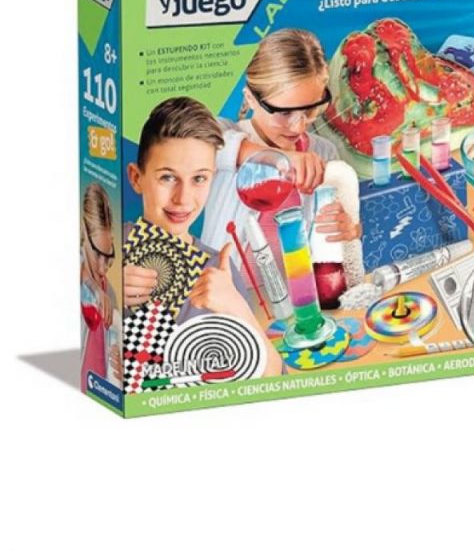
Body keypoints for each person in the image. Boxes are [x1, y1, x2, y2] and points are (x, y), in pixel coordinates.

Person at [124, 97, 283, 377]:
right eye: (167, 177)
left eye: (199, 179)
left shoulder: (220, 270)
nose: (183, 198)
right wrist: (106, 286)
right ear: (137, 178)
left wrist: (237, 308)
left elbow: (273, 379)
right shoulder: (106, 247)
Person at [202, 28, 361, 255]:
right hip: (226, 277)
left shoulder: (324, 152)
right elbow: (212, 145)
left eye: (310, 110)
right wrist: (280, 160)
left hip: (297, 277)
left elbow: (340, 232)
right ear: (251, 99)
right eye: (284, 113)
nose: (299, 127)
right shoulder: (221, 132)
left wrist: (350, 229)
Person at [80, 183, 122, 390]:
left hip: (101, 388)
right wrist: (95, 289)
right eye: (97, 254)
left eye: (108, 256)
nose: (102, 268)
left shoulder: (109, 291)